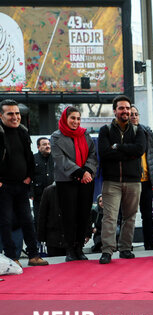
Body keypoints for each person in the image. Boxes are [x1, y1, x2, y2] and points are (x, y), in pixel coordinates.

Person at [97, 95, 146, 264]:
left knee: (130, 217)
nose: (125, 111)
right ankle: (107, 251)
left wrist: (117, 147)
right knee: (109, 217)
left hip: (133, 181)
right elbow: (104, 153)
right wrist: (128, 152)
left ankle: (125, 249)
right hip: (111, 181)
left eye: (127, 108)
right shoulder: (105, 130)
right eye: (121, 108)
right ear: (115, 111)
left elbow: (139, 150)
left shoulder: (138, 130)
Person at [0, 99, 48, 266]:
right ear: (1, 115)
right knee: (5, 223)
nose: (15, 117)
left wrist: (29, 176)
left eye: (17, 113)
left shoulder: (23, 131)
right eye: (10, 114)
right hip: (3, 187)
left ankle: (33, 256)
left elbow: (29, 156)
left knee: (28, 220)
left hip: (22, 185)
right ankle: (12, 258)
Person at [51, 106, 98, 261]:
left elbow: (92, 154)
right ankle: (70, 249)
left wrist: (87, 171)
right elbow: (61, 159)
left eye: (78, 118)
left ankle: (79, 248)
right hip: (67, 181)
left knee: (83, 215)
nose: (76, 121)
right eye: (72, 118)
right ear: (66, 118)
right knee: (68, 216)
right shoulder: (56, 137)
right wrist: (80, 173)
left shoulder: (85, 134)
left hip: (86, 180)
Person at [130, 105, 153, 250]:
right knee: (129, 215)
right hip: (131, 181)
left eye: (136, 114)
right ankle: (126, 246)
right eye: (131, 114)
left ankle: (150, 243)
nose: (134, 116)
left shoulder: (147, 131)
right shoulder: (125, 133)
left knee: (147, 215)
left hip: (147, 180)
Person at [31, 137, 54, 230]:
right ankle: (38, 241)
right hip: (38, 195)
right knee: (38, 219)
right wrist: (30, 192)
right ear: (38, 147)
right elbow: (29, 177)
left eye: (48, 144)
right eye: (44, 145)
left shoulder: (55, 158)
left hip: (54, 194)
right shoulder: (33, 159)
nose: (47, 146)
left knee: (53, 218)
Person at [36, 183, 65, 257]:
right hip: (52, 239)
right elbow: (42, 215)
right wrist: (41, 238)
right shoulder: (48, 191)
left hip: (70, 239)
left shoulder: (73, 189)